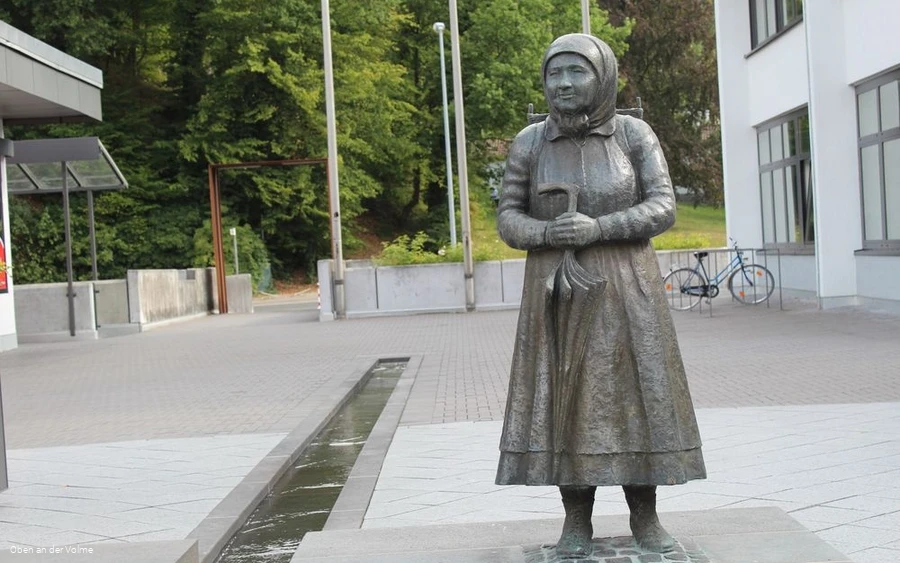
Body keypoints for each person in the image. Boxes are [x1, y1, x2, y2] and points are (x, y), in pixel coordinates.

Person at [495, 34, 706, 558]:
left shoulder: (633, 135)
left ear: (603, 76)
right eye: (553, 74)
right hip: (559, 290)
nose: (563, 83)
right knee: (566, 403)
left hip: (627, 289)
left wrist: (600, 227)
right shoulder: (531, 142)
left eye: (576, 72)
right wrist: (546, 235)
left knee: (639, 399)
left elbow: (663, 207)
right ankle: (575, 522)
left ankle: (646, 518)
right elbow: (508, 216)